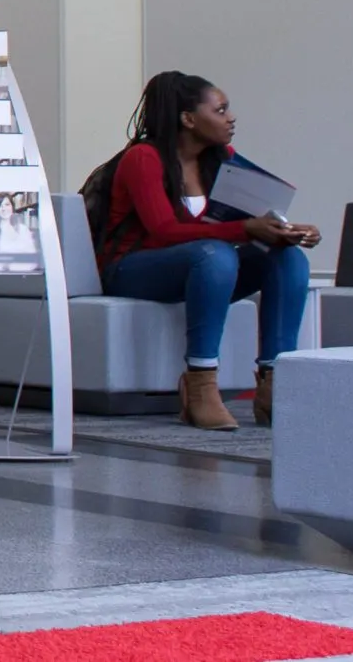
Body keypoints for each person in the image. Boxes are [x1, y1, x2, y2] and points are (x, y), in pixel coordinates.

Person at [97, 72, 318, 430]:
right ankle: (200, 383)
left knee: (286, 257)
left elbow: (253, 214)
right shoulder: (144, 158)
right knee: (215, 253)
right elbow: (164, 231)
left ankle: (275, 384)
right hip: (130, 270)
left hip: (200, 262)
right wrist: (246, 229)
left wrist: (286, 230)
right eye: (220, 110)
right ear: (188, 119)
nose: (231, 118)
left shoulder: (223, 158)